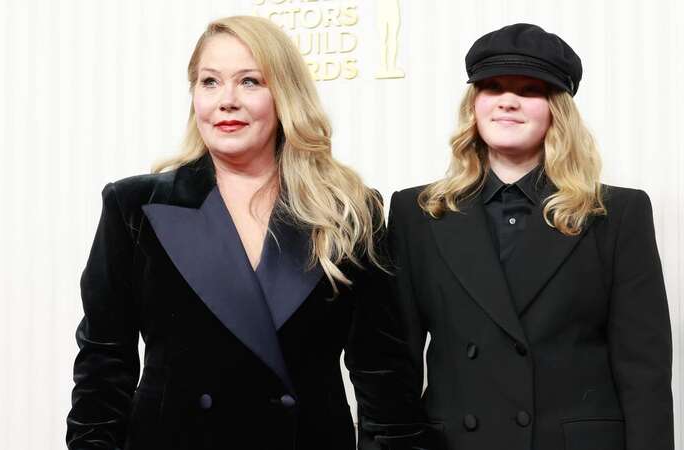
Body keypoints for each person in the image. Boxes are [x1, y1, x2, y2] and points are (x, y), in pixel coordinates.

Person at [66, 15, 407, 450]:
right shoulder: (135, 207)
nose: (226, 100)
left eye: (249, 81)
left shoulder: (349, 211)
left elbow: (383, 378)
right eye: (209, 82)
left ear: (285, 95)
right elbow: (102, 366)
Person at [385, 23, 673, 450]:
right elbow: (394, 365)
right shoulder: (419, 212)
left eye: (530, 89)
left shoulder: (616, 214)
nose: (507, 101)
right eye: (492, 86)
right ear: (474, 104)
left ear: (557, 108)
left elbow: (644, 372)